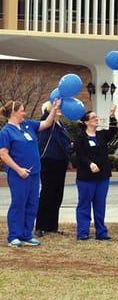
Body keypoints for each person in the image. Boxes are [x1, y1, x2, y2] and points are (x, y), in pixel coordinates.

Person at [0, 99, 60, 247]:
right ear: (14, 112)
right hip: (18, 175)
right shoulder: (6, 132)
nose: (24, 113)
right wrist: (18, 169)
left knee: (32, 204)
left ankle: (27, 235)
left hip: (34, 173)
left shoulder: (28, 125)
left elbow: (46, 124)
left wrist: (54, 109)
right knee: (19, 204)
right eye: (22, 110)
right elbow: (3, 154)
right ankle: (14, 236)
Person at [73, 106, 118, 240]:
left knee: (100, 204)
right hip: (86, 177)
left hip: (102, 176)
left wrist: (112, 115)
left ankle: (101, 232)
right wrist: (90, 164)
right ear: (86, 122)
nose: (96, 119)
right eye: (93, 117)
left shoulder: (101, 135)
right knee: (84, 204)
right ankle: (83, 232)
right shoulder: (80, 137)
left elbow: (114, 130)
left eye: (96, 117)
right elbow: (80, 155)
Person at [35, 101, 72, 237]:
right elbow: (45, 121)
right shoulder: (46, 121)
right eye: (56, 108)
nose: (60, 109)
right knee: (46, 193)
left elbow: (64, 141)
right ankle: (40, 226)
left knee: (57, 194)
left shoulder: (61, 125)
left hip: (60, 162)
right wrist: (51, 109)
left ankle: (52, 226)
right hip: (48, 161)